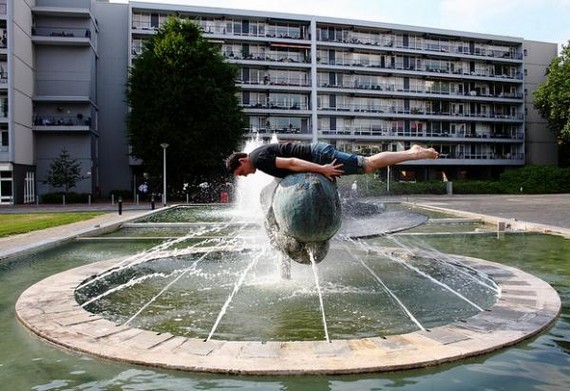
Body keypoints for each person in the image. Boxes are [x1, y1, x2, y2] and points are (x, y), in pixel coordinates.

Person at [226, 142, 438, 180]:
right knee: (367, 167)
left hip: (321, 157)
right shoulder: (258, 157)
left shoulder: (259, 160)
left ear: (243, 161)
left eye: (241, 173)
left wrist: (323, 169)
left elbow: (291, 162)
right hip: (319, 156)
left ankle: (413, 153)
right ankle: (412, 152)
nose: (244, 176)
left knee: (368, 164)